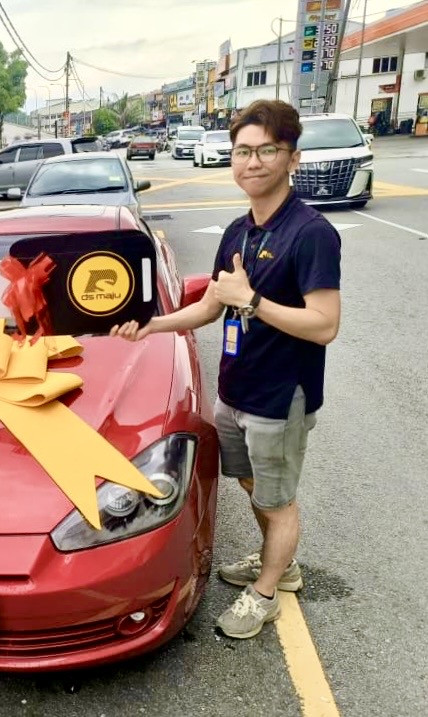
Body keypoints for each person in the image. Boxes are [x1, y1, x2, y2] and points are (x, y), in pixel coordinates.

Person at [111, 100, 341, 639]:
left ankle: (266, 591)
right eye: (243, 150)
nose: (252, 161)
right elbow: (214, 305)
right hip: (235, 388)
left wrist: (254, 301)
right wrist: (153, 324)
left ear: (291, 158)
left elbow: (325, 324)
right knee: (247, 480)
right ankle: (276, 563)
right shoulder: (239, 229)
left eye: (266, 150)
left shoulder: (311, 233)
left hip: (282, 395)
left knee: (276, 500)